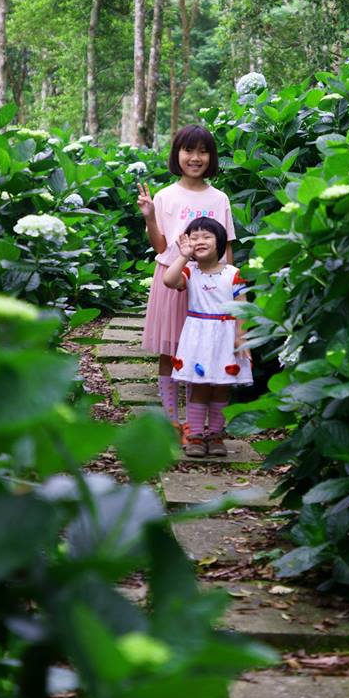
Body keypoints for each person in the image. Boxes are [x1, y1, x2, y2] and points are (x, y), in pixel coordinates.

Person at [137, 125, 235, 437]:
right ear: (176, 154)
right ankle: (172, 420)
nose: (195, 158)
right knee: (171, 351)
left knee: (200, 349)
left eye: (203, 151)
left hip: (207, 285)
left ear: (211, 157)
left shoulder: (219, 198)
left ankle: (194, 423)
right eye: (188, 150)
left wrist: (229, 288)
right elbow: (160, 247)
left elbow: (227, 248)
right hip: (172, 277)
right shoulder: (165, 196)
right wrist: (150, 216)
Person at [163, 217, 252, 457]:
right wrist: (183, 256)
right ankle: (195, 435)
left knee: (222, 387)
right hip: (198, 337)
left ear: (220, 241)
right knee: (200, 386)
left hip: (226, 337)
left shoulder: (233, 274)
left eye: (206, 236)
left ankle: (215, 435)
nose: (199, 241)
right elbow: (169, 281)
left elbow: (242, 306)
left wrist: (242, 335)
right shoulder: (189, 271)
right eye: (194, 237)